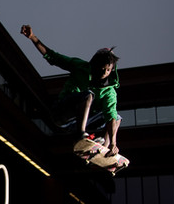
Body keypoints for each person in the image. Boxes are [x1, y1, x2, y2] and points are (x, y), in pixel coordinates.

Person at [20, 24, 121, 156]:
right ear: (94, 65)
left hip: (81, 120)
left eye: (107, 70)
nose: (104, 73)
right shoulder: (80, 67)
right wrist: (33, 37)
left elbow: (110, 116)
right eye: (101, 69)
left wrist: (113, 143)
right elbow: (54, 57)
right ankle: (81, 135)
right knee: (88, 95)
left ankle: (105, 149)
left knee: (116, 117)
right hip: (62, 113)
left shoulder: (109, 91)